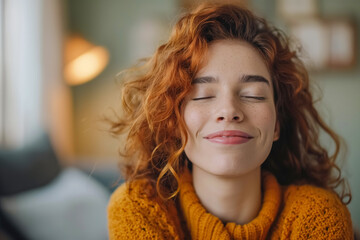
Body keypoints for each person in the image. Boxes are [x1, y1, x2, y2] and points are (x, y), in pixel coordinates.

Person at [107, 2, 354, 239]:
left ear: (277, 123)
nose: (228, 110)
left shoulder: (318, 215)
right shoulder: (138, 208)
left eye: (252, 95)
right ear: (173, 122)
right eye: (203, 95)